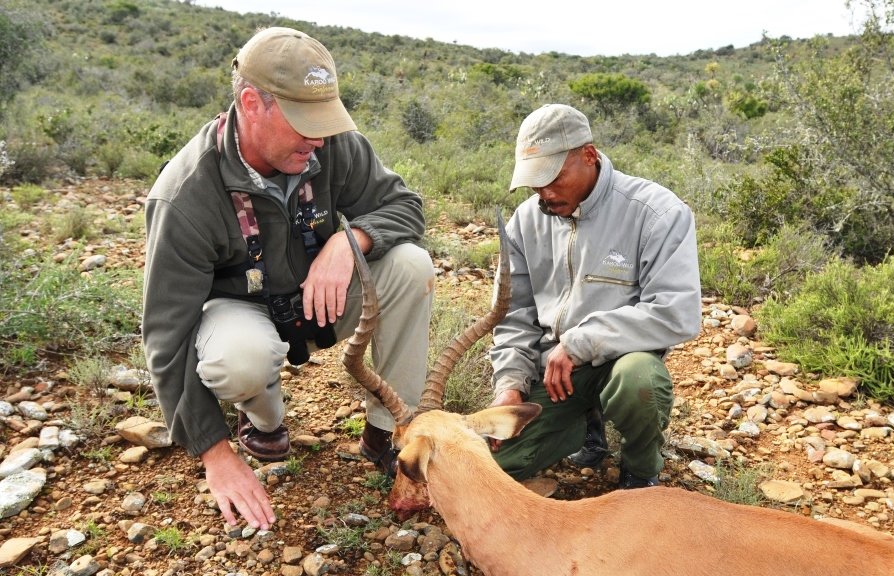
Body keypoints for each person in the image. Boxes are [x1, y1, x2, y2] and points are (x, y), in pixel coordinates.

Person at [142, 27, 432, 530]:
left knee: (410, 267)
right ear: (252, 104)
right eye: (304, 123)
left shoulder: (335, 145)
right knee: (240, 358)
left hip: (320, 299)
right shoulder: (184, 196)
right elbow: (167, 339)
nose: (318, 138)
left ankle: (388, 433)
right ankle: (264, 421)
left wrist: (352, 239)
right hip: (243, 310)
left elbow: (404, 206)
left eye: (325, 120)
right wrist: (215, 455)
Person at [489, 104, 701, 489]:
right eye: (534, 181)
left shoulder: (657, 212)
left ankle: (640, 468)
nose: (545, 192)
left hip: (623, 360)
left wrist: (579, 343)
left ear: (589, 155)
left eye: (553, 177)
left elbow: (677, 313)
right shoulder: (525, 221)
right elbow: (513, 316)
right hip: (554, 375)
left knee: (640, 381)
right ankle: (584, 426)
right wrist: (511, 384)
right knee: (496, 463)